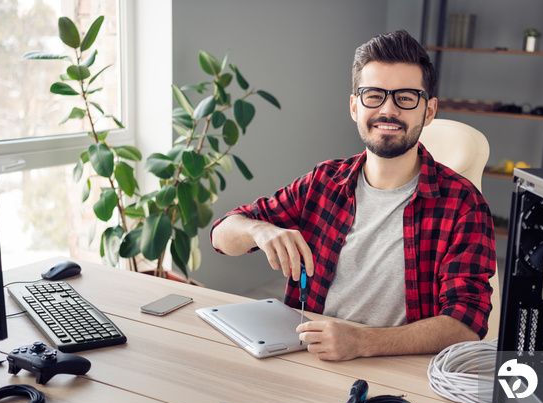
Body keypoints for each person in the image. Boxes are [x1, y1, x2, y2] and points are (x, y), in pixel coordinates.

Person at [210, 30, 496, 361]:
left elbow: (466, 324)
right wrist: (258, 230)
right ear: (354, 106)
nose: (388, 110)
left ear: (428, 111)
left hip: (397, 370)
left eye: (405, 97)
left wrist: (362, 342)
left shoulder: (464, 205)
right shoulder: (323, 182)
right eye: (373, 95)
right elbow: (221, 235)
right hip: (306, 356)